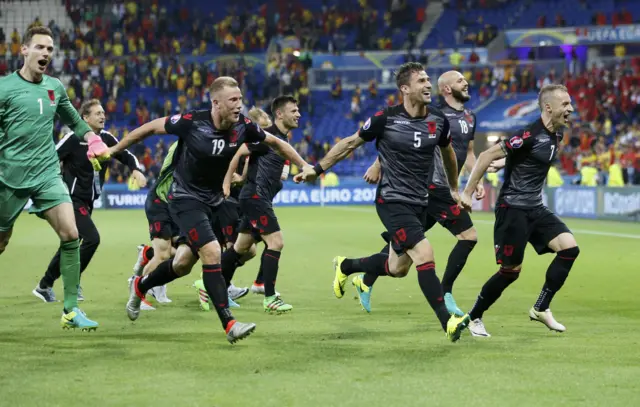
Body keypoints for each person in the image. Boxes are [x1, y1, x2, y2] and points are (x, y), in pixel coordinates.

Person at [110, 77, 312, 343]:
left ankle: (141, 285)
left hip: (215, 202)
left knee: (182, 264)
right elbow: (148, 129)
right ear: (216, 103)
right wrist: (114, 149)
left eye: (240, 99)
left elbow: (277, 143)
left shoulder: (244, 126)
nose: (239, 105)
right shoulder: (192, 122)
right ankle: (229, 325)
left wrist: (304, 164)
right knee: (213, 251)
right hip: (185, 199)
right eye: (233, 100)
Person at [295, 62, 471, 342]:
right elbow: (350, 143)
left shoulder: (438, 120)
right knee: (425, 254)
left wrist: (452, 187)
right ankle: (447, 321)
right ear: (405, 89)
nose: (428, 85)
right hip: (392, 201)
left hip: (420, 202)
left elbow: (448, 153)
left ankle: (347, 266)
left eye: (428, 80)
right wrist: (317, 169)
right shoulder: (385, 118)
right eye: (421, 81)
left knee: (398, 268)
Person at [0, 26, 110, 330]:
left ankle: (71, 310)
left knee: (72, 235)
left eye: (50, 49)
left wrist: (93, 139)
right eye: (40, 47)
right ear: (24, 50)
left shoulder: (55, 87)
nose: (46, 53)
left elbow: (74, 120)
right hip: (9, 177)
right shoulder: (4, 88)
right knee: (1, 242)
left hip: (48, 173)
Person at [357, 70, 484, 316]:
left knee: (404, 248)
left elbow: (468, 153)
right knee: (468, 236)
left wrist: (475, 179)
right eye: (460, 81)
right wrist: (377, 164)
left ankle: (364, 277)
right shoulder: (432, 112)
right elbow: (400, 140)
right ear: (446, 89)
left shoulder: (470, 117)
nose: (466, 83)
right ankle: (445, 293)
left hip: (444, 187)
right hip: (431, 186)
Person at [459, 84, 580, 336]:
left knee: (569, 248)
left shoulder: (557, 135)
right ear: (549, 107)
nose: (571, 108)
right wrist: (468, 192)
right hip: (512, 209)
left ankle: (541, 308)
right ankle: (474, 317)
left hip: (535, 208)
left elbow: (528, 158)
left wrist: (504, 163)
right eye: (565, 104)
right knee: (510, 272)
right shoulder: (528, 133)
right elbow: (484, 156)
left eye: (570, 104)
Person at [34, 99, 146, 303]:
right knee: (92, 238)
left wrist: (136, 169)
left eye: (103, 112)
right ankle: (73, 282)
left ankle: (44, 285)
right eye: (97, 113)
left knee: (70, 243)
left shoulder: (106, 138)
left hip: (88, 202)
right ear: (85, 118)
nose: (103, 116)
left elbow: (126, 153)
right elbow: (49, 158)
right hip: (70, 200)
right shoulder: (72, 138)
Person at [221, 96, 300, 313]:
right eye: (293, 111)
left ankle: (215, 287)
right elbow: (240, 152)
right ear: (280, 114)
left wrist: (244, 176)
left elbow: (252, 159)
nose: (298, 114)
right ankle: (270, 297)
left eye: (298, 110)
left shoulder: (282, 140)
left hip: (255, 196)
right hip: (256, 197)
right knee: (276, 242)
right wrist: (228, 180)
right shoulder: (267, 136)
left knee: (240, 247)